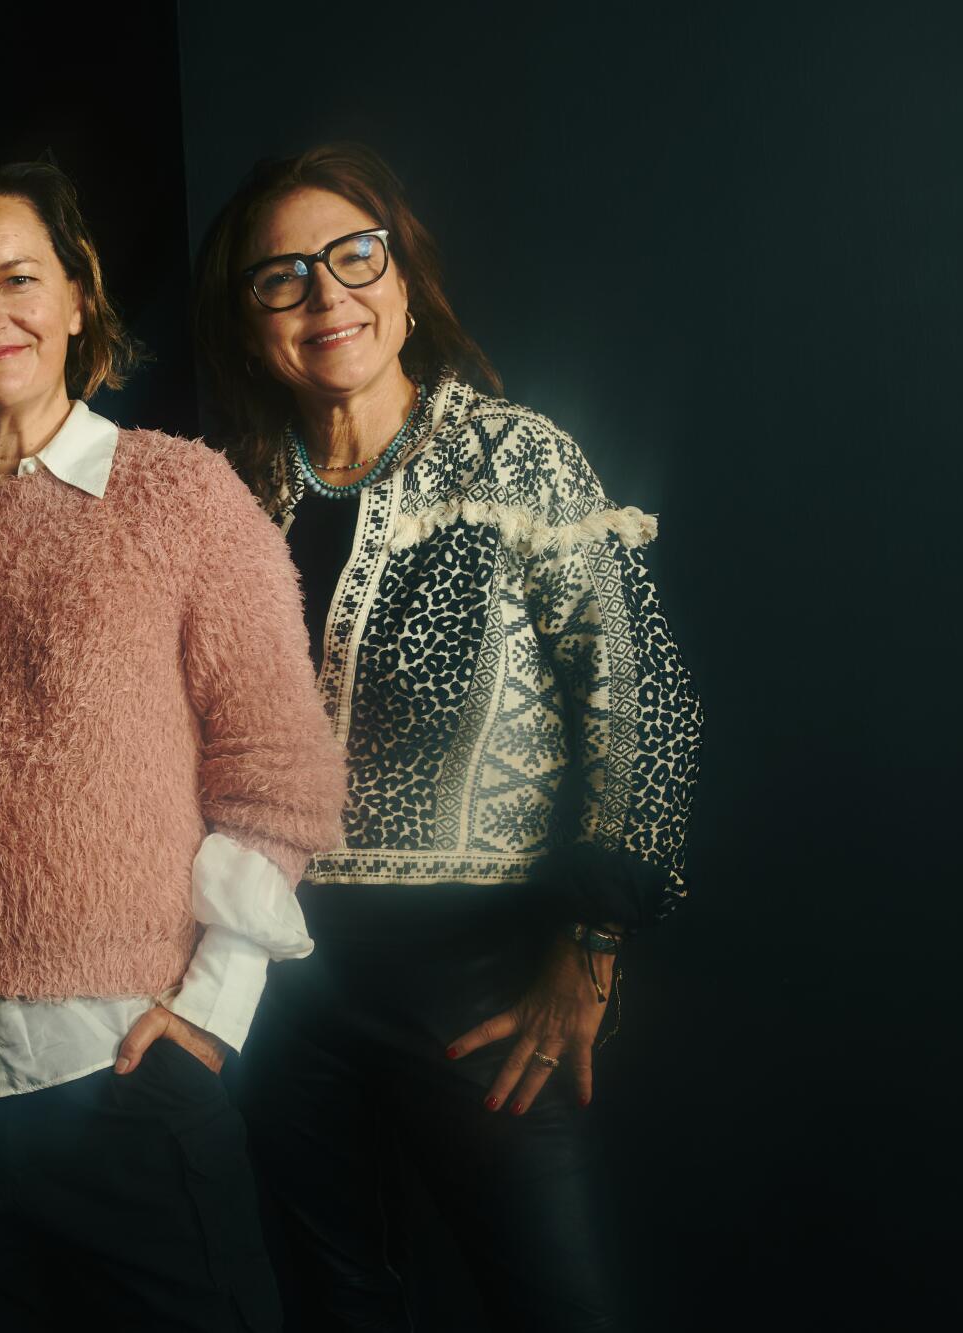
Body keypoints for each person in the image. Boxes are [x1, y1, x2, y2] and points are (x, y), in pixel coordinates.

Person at [0, 154, 345, 1333]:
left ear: (76, 296)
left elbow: (281, 775)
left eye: (17, 277)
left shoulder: (184, 497)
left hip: (120, 1078)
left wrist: (212, 1007)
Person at [190, 142, 704, 1331]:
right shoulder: (224, 491)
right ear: (249, 316)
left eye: (351, 256)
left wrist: (588, 950)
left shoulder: (514, 456)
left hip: (472, 980)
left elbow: (640, 700)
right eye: (282, 277)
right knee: (333, 1304)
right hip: (269, 981)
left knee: (554, 1307)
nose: (325, 297)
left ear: (403, 282)